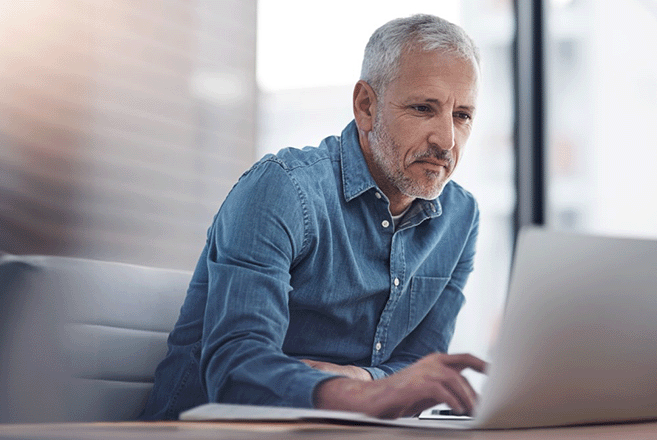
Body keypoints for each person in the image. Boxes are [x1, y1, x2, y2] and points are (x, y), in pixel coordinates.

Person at [140, 14, 487, 421]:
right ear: (366, 106)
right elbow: (235, 369)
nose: (446, 140)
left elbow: (418, 366)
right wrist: (366, 397)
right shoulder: (283, 189)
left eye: (462, 115)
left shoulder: (460, 218)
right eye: (423, 108)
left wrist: (363, 380)